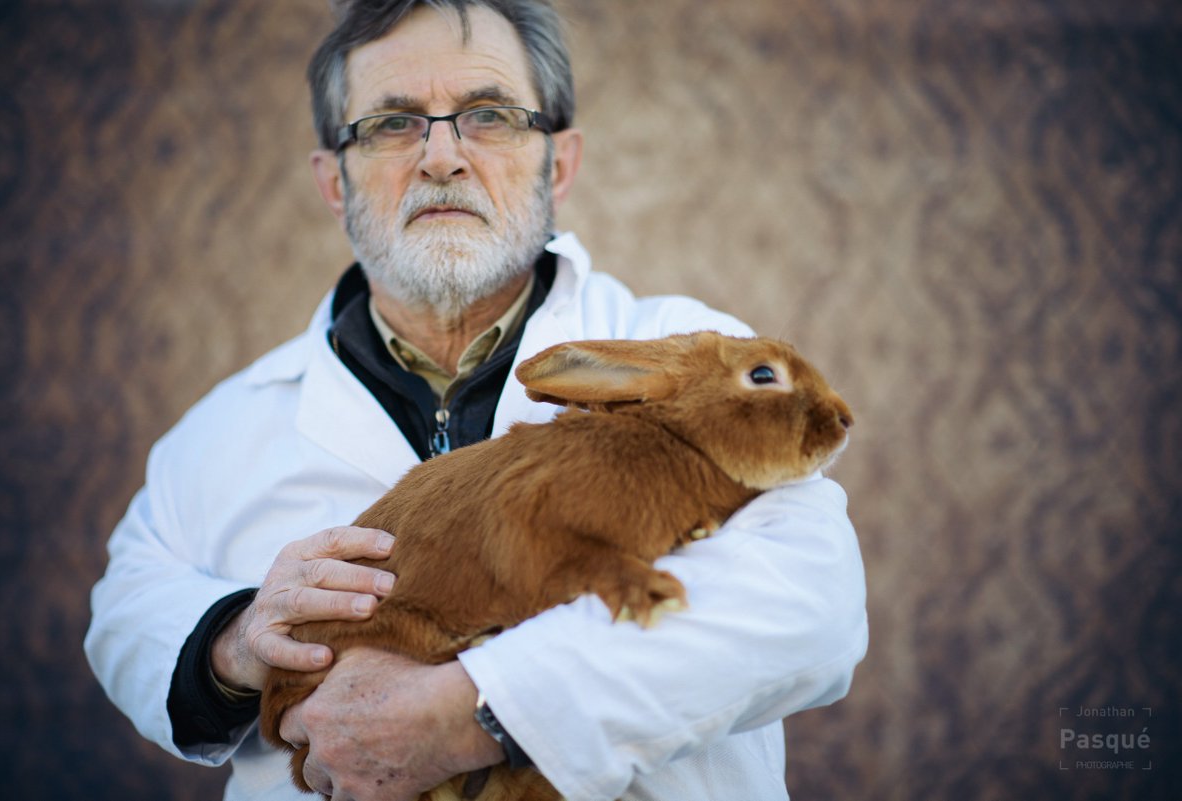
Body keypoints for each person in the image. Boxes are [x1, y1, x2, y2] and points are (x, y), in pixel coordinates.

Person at [84, 1, 868, 799]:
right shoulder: (221, 431)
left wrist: (481, 707)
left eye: (488, 115)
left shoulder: (695, 354)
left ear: (557, 164)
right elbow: (124, 610)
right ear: (334, 180)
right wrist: (235, 639)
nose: (441, 158)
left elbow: (809, 598)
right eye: (392, 124)